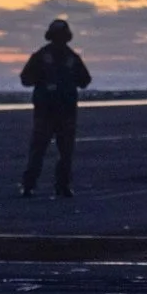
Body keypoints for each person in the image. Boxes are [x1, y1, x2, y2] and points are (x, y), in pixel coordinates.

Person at [18, 18, 91, 197]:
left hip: (55, 112)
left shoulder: (60, 57)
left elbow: (84, 80)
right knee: (54, 151)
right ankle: (53, 186)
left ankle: (36, 186)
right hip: (54, 112)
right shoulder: (66, 58)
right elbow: (26, 79)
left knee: (47, 151)